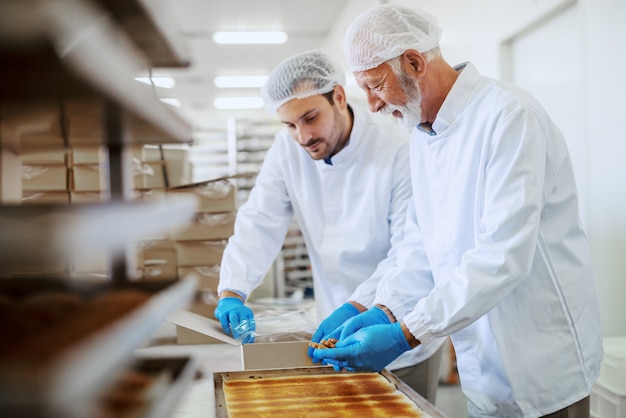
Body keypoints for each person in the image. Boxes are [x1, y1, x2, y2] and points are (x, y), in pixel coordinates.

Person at [311, 5, 603, 418]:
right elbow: (421, 246)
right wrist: (380, 307)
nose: (373, 106)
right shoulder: (422, 135)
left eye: (375, 86)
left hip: (544, 363)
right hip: (481, 369)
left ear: (413, 62)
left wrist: (407, 334)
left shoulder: (508, 116)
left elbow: (501, 255)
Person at [214, 49, 445, 403]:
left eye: (310, 118)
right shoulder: (286, 150)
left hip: (399, 326)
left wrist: (362, 305)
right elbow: (260, 221)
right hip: (331, 330)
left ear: (338, 96)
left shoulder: (397, 147)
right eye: (290, 125)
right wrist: (232, 290)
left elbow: (412, 249)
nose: (303, 136)